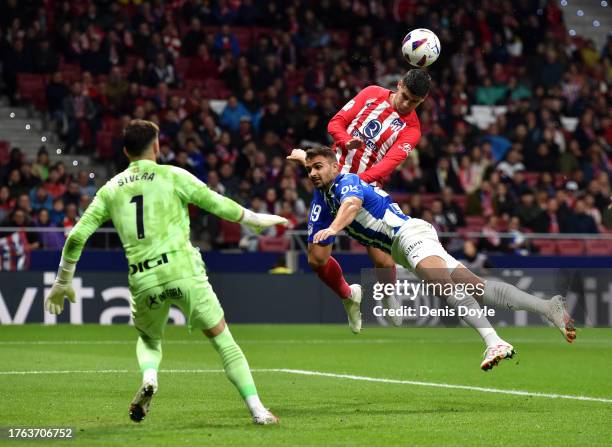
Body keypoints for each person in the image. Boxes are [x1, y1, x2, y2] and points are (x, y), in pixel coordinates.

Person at [44, 120, 286, 424]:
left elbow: (77, 236)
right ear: (156, 146)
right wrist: (254, 218)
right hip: (183, 269)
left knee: (149, 340)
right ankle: (258, 410)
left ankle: (150, 377)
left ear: (125, 151)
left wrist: (62, 281)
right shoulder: (173, 175)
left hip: (143, 279)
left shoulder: (110, 189)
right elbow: (216, 203)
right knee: (223, 340)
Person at [304, 146, 575, 371]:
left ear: (335, 166)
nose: (312, 173)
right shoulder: (327, 195)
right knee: (478, 288)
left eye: (318, 166)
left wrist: (333, 228)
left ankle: (494, 341)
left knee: (446, 289)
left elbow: (351, 205)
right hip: (406, 243)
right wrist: (299, 156)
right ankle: (546, 308)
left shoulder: (347, 181)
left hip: (408, 236)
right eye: (309, 169)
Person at [287, 69, 430, 329]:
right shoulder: (372, 94)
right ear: (398, 85)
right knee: (316, 259)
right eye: (406, 97)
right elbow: (335, 123)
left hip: (366, 190)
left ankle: (388, 295)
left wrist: (352, 184)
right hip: (330, 182)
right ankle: (349, 295)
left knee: (383, 260)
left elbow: (388, 164)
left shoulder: (412, 130)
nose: (408, 104)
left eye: (415, 102)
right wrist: (346, 141)